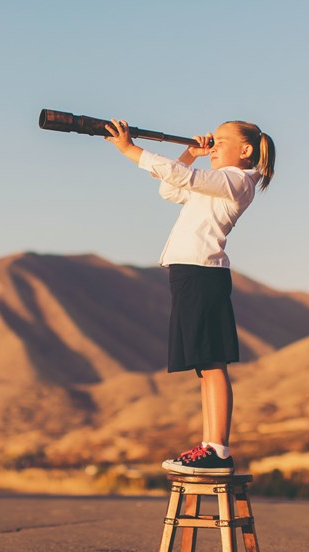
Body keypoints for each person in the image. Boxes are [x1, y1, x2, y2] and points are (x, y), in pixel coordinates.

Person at [103, 117, 275, 475]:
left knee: (213, 363)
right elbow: (170, 189)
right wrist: (189, 153)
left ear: (245, 151)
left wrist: (129, 150)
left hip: (202, 273)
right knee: (205, 365)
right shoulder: (218, 183)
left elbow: (185, 179)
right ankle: (212, 444)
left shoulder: (236, 180)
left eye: (220, 141)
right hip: (190, 272)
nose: (212, 145)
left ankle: (218, 448)